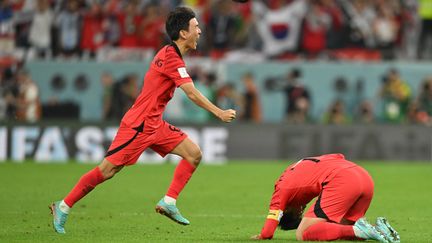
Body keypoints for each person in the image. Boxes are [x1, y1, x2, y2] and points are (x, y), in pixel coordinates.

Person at [50, 6, 236, 234]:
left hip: (154, 124)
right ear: (184, 33)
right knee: (107, 170)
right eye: (196, 27)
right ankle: (63, 206)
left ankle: (169, 201)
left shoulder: (172, 55)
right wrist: (218, 112)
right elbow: (191, 92)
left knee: (193, 154)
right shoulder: (170, 57)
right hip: (139, 125)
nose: (200, 32)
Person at [251, 153, 400, 243]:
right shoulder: (295, 169)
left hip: (343, 179)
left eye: (298, 212)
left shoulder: (281, 189)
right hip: (364, 176)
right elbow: (338, 156)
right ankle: (378, 230)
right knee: (340, 227)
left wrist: (262, 236)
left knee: (303, 233)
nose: (302, 208)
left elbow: (268, 232)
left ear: (286, 209)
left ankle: (360, 229)